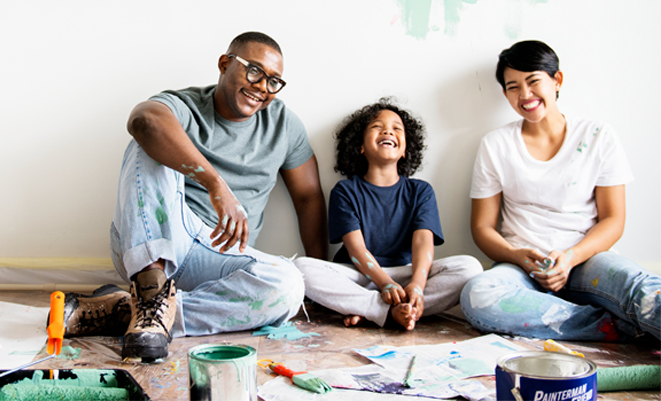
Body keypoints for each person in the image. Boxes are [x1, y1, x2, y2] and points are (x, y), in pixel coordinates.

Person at [60, 32, 328, 361]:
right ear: (225, 64)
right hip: (160, 238)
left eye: (274, 81)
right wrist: (216, 184)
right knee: (146, 144)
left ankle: (136, 311)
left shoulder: (284, 125)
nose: (262, 87)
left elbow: (309, 197)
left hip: (222, 259)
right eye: (254, 71)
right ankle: (150, 287)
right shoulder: (186, 105)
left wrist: (321, 276)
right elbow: (144, 120)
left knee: (289, 286)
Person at [461, 40, 660, 341]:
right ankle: (617, 327)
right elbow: (482, 227)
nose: (525, 95)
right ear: (504, 93)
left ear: (557, 81)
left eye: (533, 81)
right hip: (522, 270)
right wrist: (517, 255)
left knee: (643, 289)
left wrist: (569, 258)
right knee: (477, 295)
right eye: (513, 87)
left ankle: (618, 316)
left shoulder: (597, 135)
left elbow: (613, 220)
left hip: (586, 261)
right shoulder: (495, 144)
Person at [295, 99, 482, 331]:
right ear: (359, 146)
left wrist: (417, 285)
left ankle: (382, 310)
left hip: (405, 274)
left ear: (405, 150)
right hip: (360, 277)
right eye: (376, 126)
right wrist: (384, 284)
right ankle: (384, 310)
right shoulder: (345, 191)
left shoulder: (420, 191)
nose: (387, 130)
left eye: (397, 128)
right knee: (302, 269)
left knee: (470, 267)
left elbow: (423, 243)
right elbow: (356, 250)